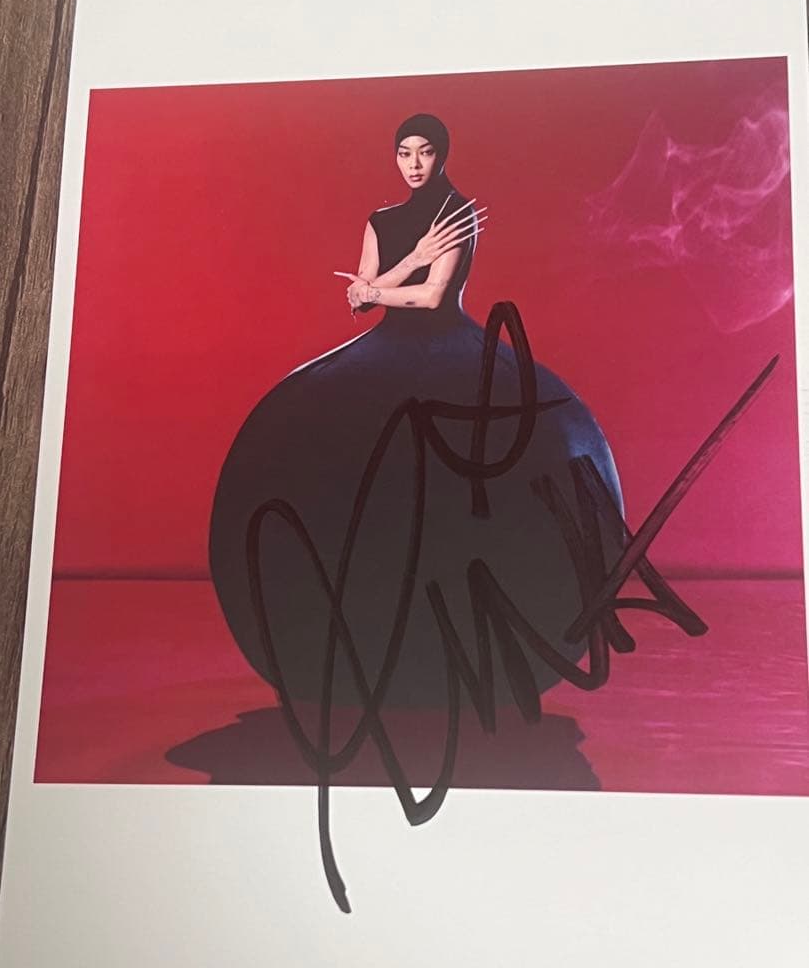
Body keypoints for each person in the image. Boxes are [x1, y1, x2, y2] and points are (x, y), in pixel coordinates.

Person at [209, 114, 621, 711]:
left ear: (442, 154)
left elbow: (431, 297)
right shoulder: (381, 220)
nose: (415, 163)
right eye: (405, 153)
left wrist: (380, 286)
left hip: (449, 347)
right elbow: (360, 298)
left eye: (425, 152)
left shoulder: (458, 214)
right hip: (386, 343)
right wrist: (406, 265)